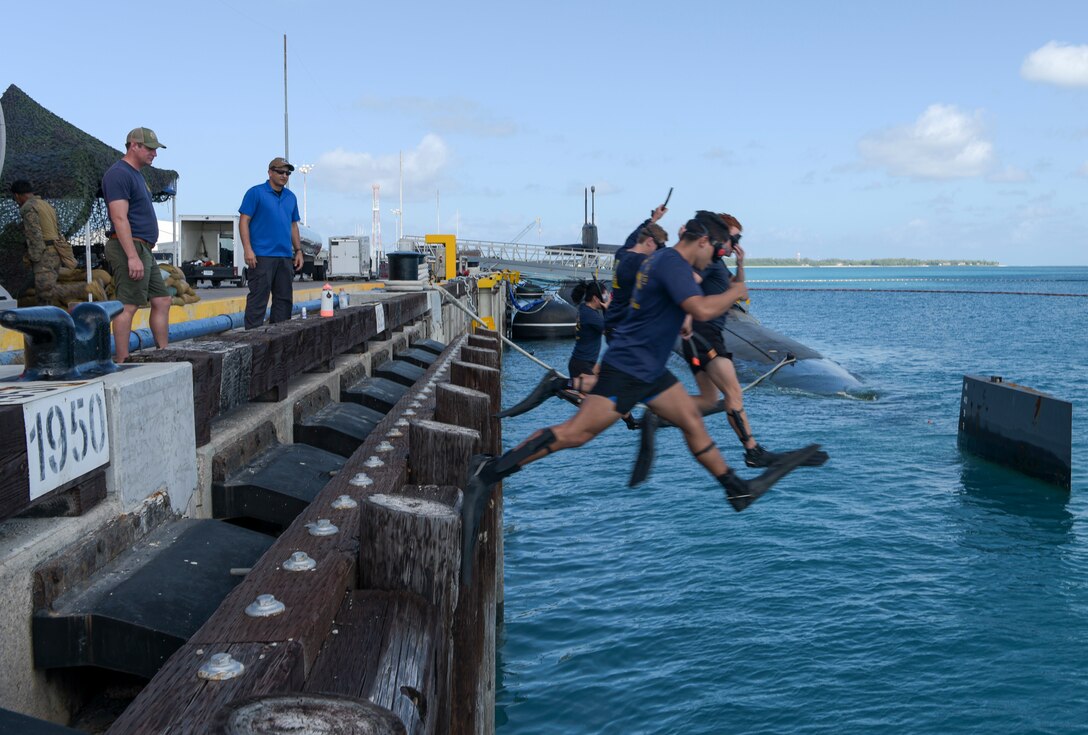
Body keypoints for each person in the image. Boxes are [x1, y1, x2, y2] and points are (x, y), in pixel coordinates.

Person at [462, 211, 821, 580]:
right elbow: (698, 307)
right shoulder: (673, 263)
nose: (714, 257)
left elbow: (674, 300)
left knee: (691, 420)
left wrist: (679, 313)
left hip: (650, 369)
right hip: (632, 368)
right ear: (702, 241)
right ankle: (488, 474)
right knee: (577, 434)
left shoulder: (661, 261)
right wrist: (734, 291)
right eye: (715, 250)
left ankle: (736, 489)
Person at [679, 213, 828, 469]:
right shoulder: (705, 262)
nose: (734, 243)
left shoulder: (716, 263)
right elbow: (690, 283)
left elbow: (738, 287)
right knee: (733, 394)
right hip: (706, 334)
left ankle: (659, 412)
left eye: (737, 239)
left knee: (711, 398)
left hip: (711, 333)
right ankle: (752, 451)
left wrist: (740, 263)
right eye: (733, 238)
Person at [102, 127, 171, 362]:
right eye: (150, 148)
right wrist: (132, 256)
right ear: (134, 145)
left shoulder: (137, 175)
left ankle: (164, 352)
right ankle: (121, 361)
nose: (154, 153)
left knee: (162, 299)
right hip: (129, 247)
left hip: (143, 248)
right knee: (128, 305)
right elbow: (119, 217)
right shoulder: (118, 174)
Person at [239, 157, 303, 329]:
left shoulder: (291, 197)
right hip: (261, 257)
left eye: (287, 173)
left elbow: (293, 225)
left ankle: (279, 343)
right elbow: (244, 220)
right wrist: (248, 250)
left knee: (284, 302)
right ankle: (252, 342)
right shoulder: (256, 193)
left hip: (284, 257)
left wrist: (298, 251)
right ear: (270, 172)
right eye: (280, 172)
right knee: (258, 301)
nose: (284, 176)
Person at [10, 180, 77, 306]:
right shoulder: (46, 205)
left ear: (17, 195)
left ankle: (84, 288)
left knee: (45, 292)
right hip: (54, 252)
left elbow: (34, 235)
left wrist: (33, 258)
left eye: (15, 199)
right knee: (45, 298)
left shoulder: (29, 207)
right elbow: (58, 230)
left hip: (44, 254)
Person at [567, 280, 607, 388]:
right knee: (597, 397)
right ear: (595, 298)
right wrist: (608, 310)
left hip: (585, 363)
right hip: (582, 365)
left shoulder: (585, 309)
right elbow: (610, 331)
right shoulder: (590, 315)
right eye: (605, 297)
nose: (606, 300)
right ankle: (560, 384)